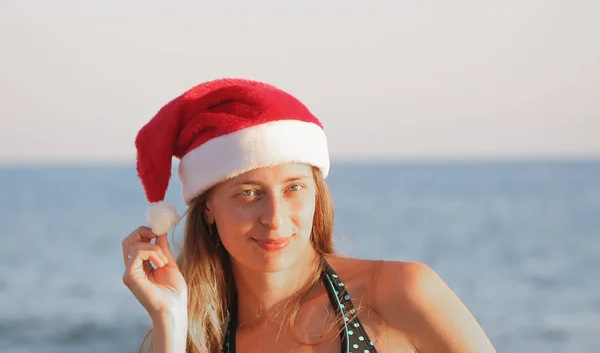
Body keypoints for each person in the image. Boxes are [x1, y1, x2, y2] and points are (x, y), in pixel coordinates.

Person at [122, 78, 497, 353]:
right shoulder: (206, 341)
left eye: (293, 188)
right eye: (248, 193)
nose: (275, 216)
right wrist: (170, 320)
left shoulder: (401, 292)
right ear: (208, 211)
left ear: (317, 194)